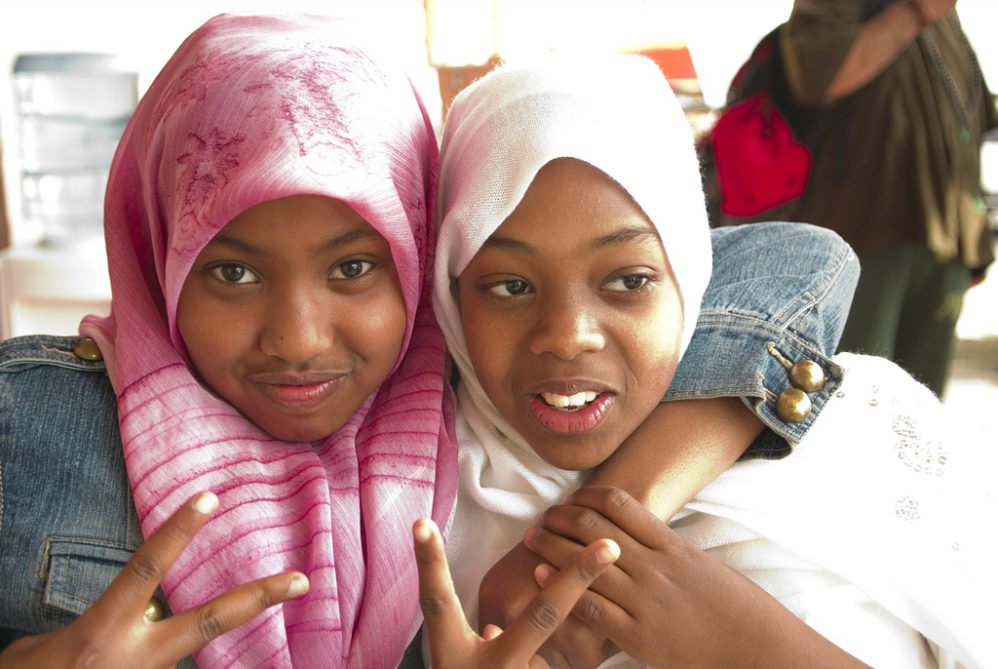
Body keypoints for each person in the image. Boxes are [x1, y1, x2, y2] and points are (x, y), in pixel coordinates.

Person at [0, 12, 858, 669]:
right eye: (232, 271)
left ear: (422, 257)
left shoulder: (465, 379)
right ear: (160, 249)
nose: (298, 338)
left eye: (354, 266)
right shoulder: (33, 425)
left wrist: (596, 527)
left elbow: (792, 260)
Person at [430, 53, 996, 668]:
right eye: (510, 286)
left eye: (629, 280)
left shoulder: (858, 443)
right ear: (448, 290)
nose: (569, 337)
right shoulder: (404, 510)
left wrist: (746, 644)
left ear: (692, 272)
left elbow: (803, 253)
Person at [774, 0, 998, 397]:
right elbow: (818, 75)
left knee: (921, 407)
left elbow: (972, 113)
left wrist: (973, 240)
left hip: (945, 242)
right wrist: (914, 13)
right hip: (865, 236)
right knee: (852, 398)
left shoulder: (946, 17)